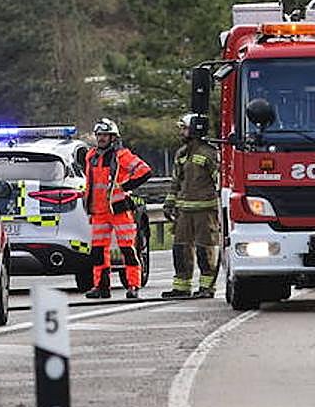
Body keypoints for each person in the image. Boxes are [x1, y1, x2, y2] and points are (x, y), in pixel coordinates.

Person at [83, 118, 152, 300]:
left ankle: (133, 286)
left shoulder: (122, 155)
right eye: (99, 135)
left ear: (113, 137)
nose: (101, 138)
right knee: (98, 251)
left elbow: (145, 171)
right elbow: (90, 182)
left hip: (119, 209)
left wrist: (126, 186)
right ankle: (101, 287)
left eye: (105, 135)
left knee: (127, 249)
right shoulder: (91, 156)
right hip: (98, 210)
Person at [161, 114, 221, 299]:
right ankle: (182, 287)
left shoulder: (210, 154)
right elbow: (176, 182)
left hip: (205, 211)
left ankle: (206, 287)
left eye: (184, 128)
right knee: (180, 249)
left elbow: (220, 181)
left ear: (195, 129)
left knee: (205, 249)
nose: (181, 132)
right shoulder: (182, 153)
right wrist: (169, 203)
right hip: (184, 212)